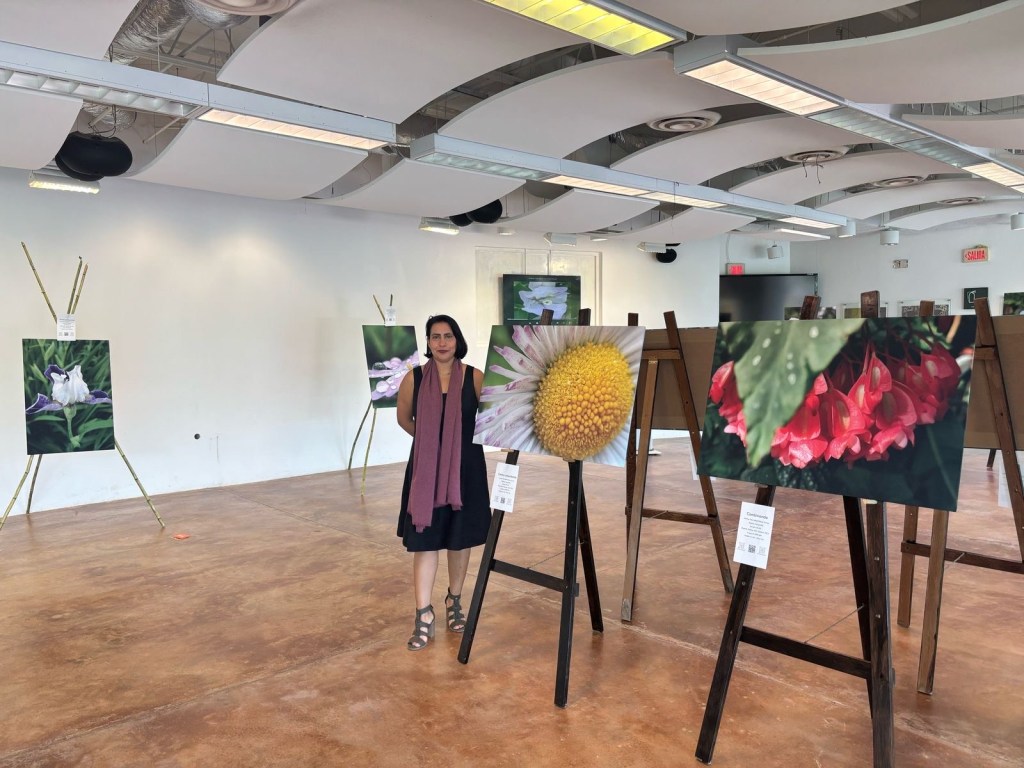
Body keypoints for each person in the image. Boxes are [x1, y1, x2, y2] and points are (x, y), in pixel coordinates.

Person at [396, 314, 490, 651]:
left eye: (447, 336)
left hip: (465, 471)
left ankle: (455, 601)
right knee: (425, 541)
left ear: (457, 339)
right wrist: (430, 444)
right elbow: (404, 418)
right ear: (428, 342)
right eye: (435, 336)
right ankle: (423, 614)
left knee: (458, 540)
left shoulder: (475, 378)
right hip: (426, 471)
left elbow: (492, 417)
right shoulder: (415, 378)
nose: (441, 342)